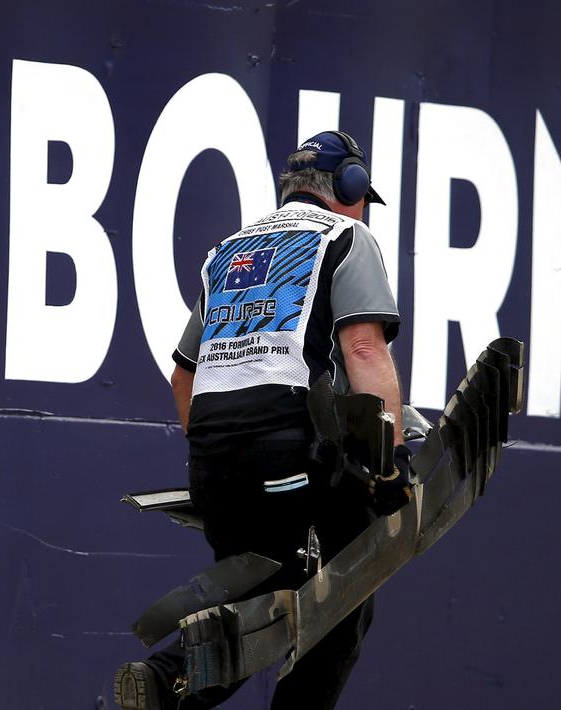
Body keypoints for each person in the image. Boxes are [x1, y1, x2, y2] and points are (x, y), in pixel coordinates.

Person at [115, 130, 406, 710]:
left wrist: (217, 461)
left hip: (215, 472)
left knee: (263, 599)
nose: (363, 206)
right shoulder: (346, 237)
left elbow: (184, 377)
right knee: (343, 595)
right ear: (349, 186)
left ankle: (165, 686)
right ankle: (166, 677)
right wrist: (390, 463)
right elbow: (366, 352)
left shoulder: (228, 251)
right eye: (362, 194)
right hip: (292, 464)